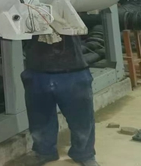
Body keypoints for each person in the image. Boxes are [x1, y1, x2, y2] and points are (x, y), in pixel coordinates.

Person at [21, 34, 99, 166]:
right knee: (40, 118)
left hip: (72, 69)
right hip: (37, 69)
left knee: (81, 119)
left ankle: (84, 153)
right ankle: (44, 152)